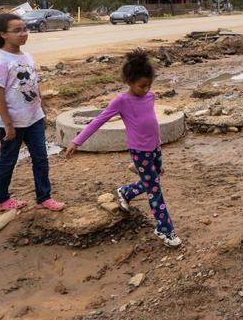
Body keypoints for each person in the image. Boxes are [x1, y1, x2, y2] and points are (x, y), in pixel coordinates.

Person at [64, 50, 181, 247]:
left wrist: (158, 143)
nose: (145, 89)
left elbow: (150, 123)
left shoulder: (150, 96)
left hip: (155, 148)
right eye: (141, 86)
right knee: (155, 189)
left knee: (153, 179)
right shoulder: (121, 101)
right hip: (140, 152)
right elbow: (98, 121)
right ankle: (164, 229)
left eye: (148, 85)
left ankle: (126, 192)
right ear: (129, 81)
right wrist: (77, 141)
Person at [0, 12, 65, 213]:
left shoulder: (26, 56)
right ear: (3, 34)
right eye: (17, 31)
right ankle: (1, 200)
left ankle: (44, 197)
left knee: (41, 159)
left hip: (33, 118)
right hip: (12, 123)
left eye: (25, 29)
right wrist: (7, 123)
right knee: (8, 160)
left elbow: (34, 84)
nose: (23, 33)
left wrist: (41, 109)